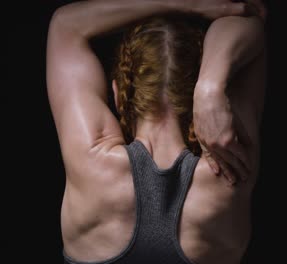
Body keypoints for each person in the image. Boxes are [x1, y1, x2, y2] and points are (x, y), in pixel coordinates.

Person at [46, 0, 266, 263]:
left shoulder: (92, 161)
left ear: (118, 96)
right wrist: (210, 88)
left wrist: (188, 5)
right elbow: (252, 24)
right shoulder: (228, 171)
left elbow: (66, 25)